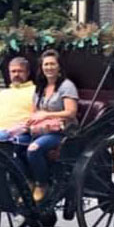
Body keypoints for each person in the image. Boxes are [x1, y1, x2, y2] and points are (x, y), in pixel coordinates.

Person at [22, 49, 78, 202]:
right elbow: (34, 113)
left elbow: (71, 112)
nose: (49, 67)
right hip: (39, 130)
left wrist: (47, 115)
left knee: (34, 149)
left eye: (52, 64)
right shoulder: (40, 88)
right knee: (14, 144)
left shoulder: (66, 86)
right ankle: (27, 181)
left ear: (59, 67)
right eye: (46, 64)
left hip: (61, 131)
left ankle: (42, 183)